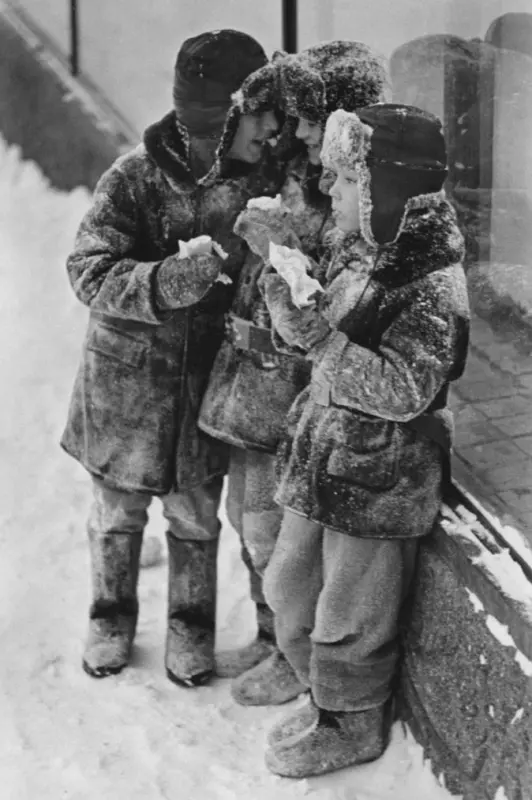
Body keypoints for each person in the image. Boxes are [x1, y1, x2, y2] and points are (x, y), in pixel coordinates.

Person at [61, 29, 281, 687]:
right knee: (118, 513)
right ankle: (109, 614)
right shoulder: (134, 176)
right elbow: (86, 269)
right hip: (126, 388)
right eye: (258, 120)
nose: (270, 135)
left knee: (194, 515)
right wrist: (159, 282)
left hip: (207, 386)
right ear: (221, 119)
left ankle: (192, 628)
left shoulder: (260, 182)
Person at [258, 104, 470, 777]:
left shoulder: (435, 284)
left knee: (350, 615)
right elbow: (332, 330)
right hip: (322, 453)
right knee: (288, 586)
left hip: (380, 477)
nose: (330, 191)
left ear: (389, 189)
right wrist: (295, 304)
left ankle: (350, 724)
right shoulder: (362, 243)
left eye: (345, 181)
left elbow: (405, 390)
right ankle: (321, 697)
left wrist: (320, 338)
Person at [198, 41, 390, 705]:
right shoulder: (296, 163)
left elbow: (328, 296)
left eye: (309, 117)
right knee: (247, 522)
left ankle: (295, 655)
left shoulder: (357, 195)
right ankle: (271, 634)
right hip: (251, 376)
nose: (297, 129)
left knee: (275, 535)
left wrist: (274, 243)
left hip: (296, 386)